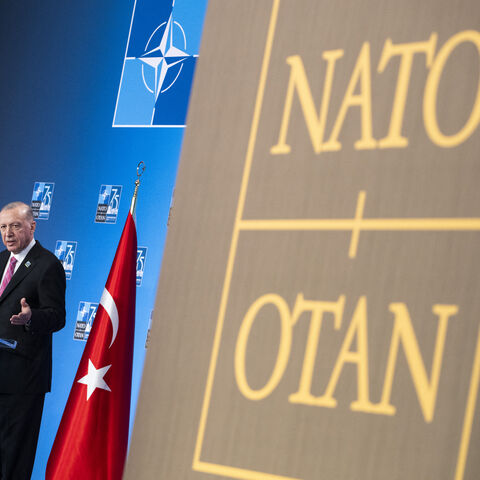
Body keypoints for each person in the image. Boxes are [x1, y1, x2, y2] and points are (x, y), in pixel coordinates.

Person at [0, 202, 66, 479]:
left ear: (32, 226)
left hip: (22, 380)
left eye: (15, 225)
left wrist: (31, 318)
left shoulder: (47, 264)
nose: (8, 233)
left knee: (13, 460)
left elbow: (57, 317)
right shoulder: (2, 259)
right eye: (3, 227)